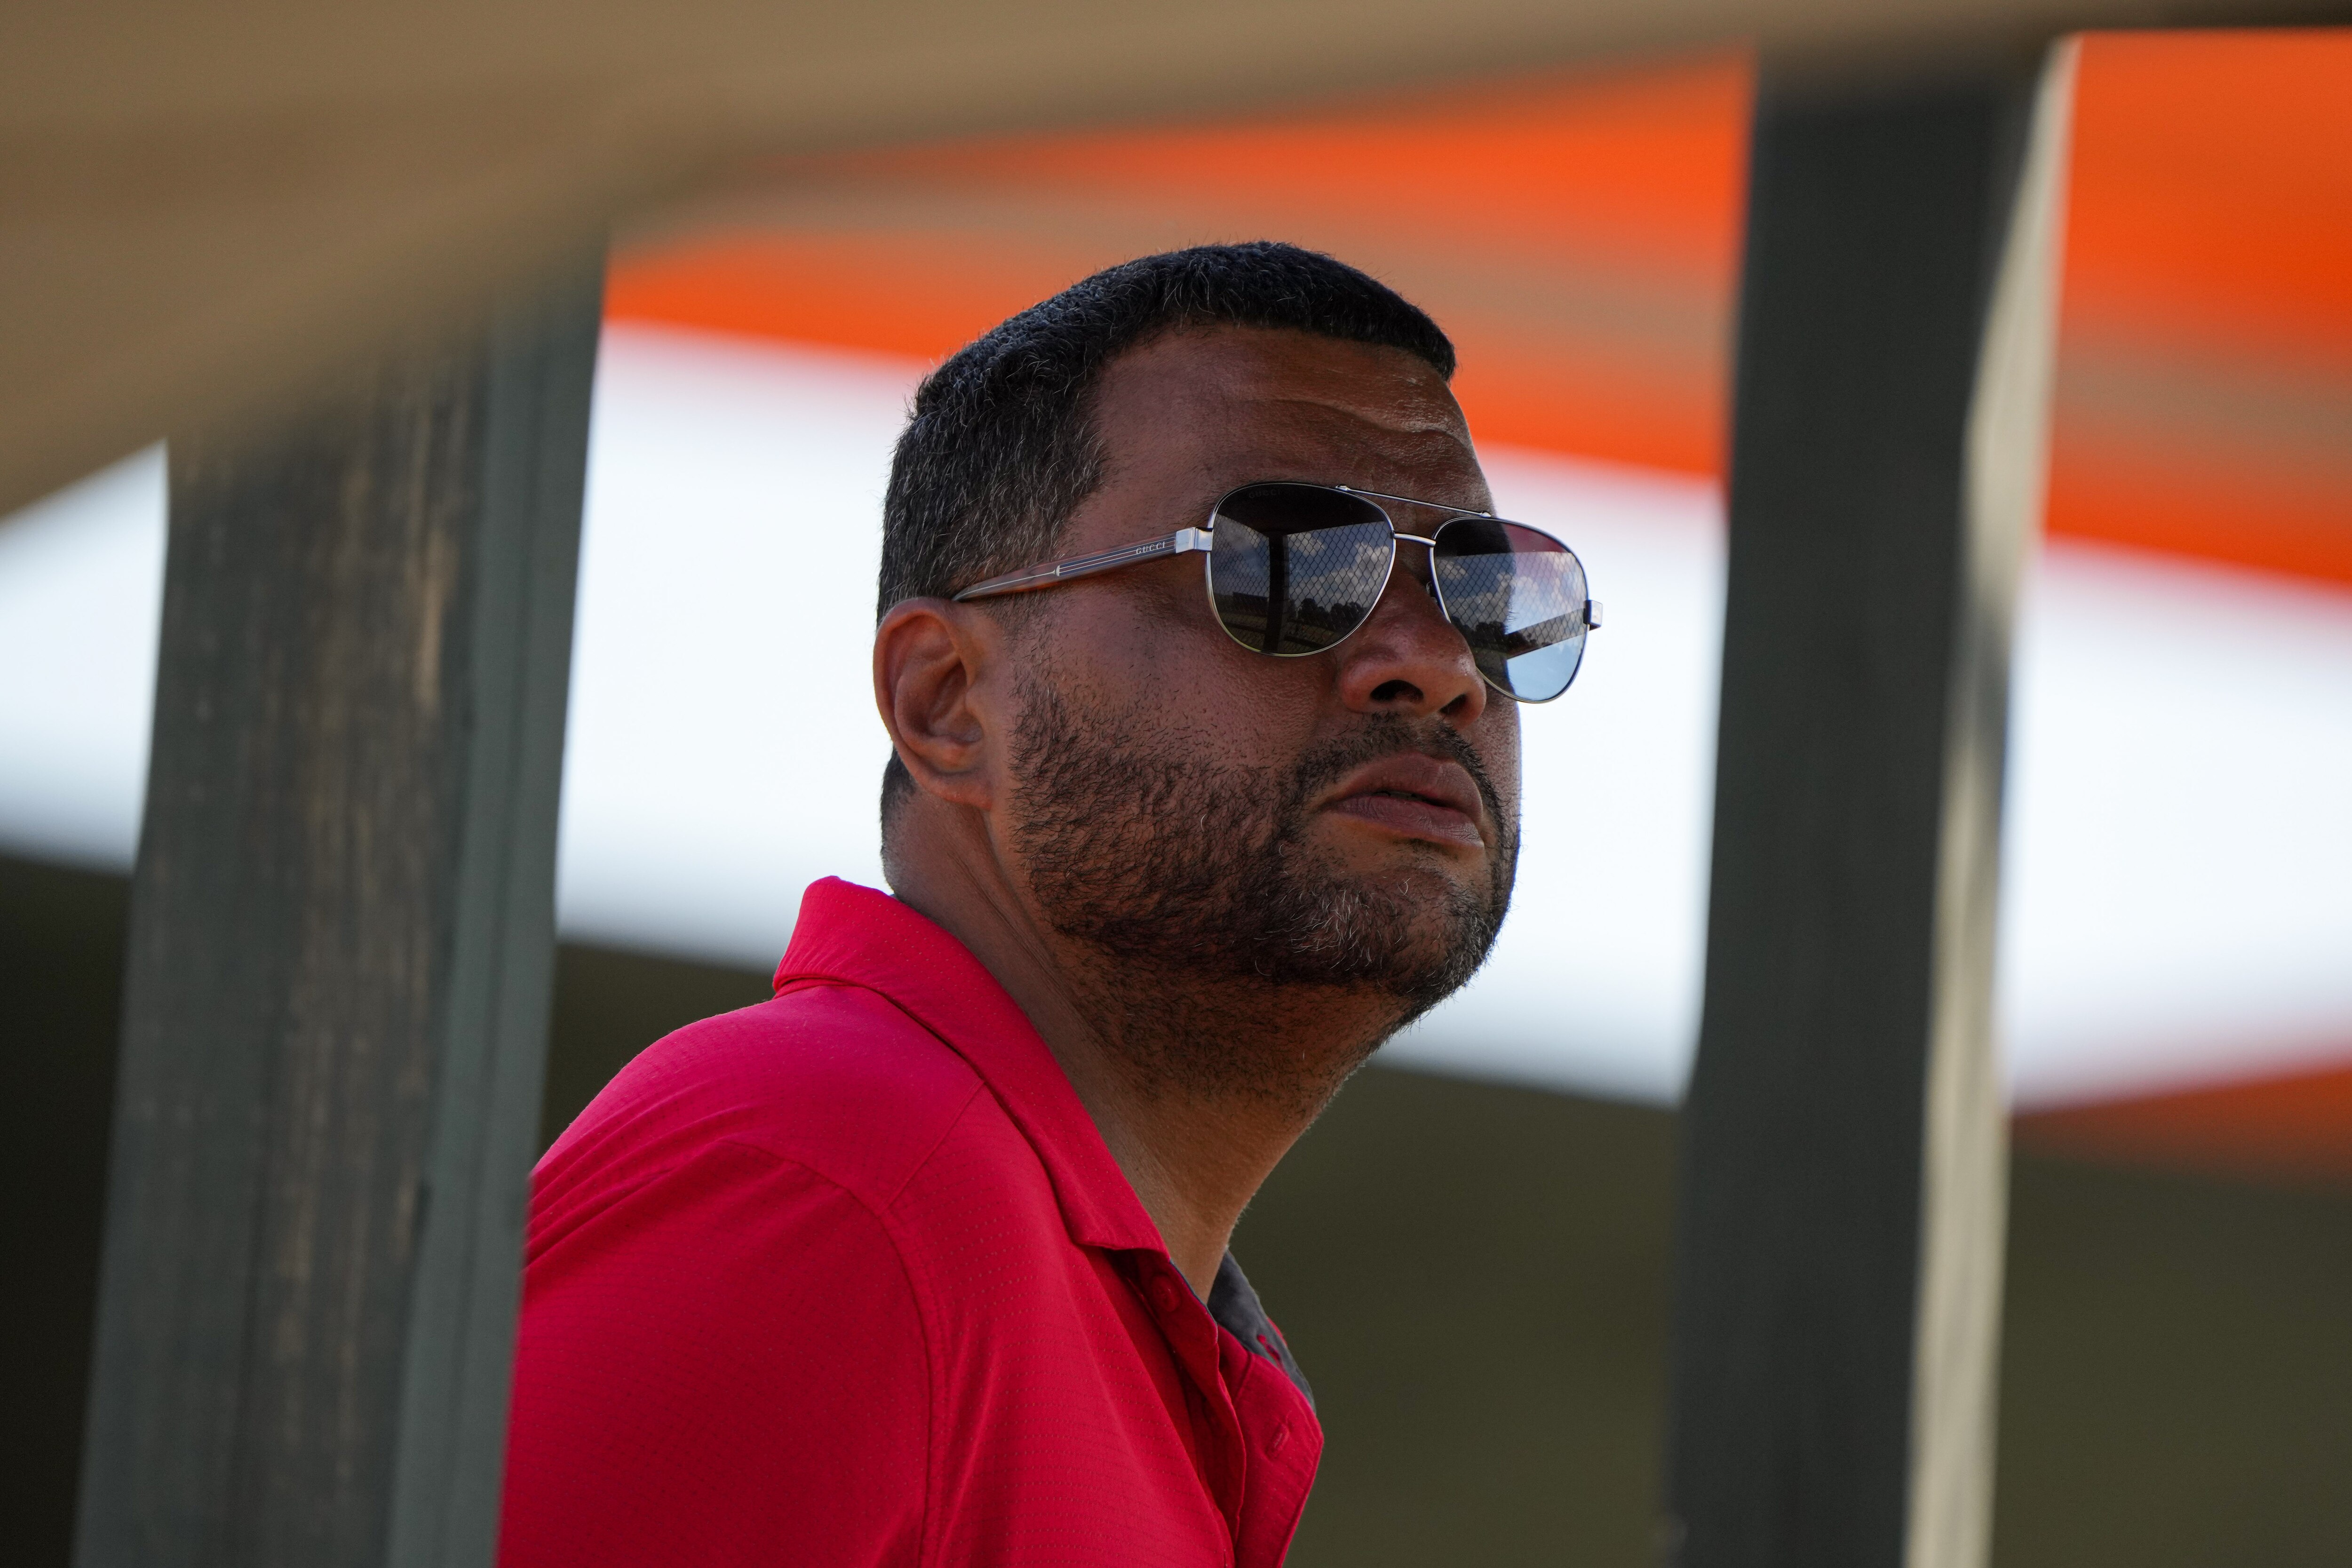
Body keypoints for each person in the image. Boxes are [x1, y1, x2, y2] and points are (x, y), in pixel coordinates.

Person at [498, 241, 1597, 1567]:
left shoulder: (1075, 1304)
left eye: (1492, 595)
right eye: (1292, 568)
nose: (1435, 666)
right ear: (947, 706)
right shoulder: (833, 1181)